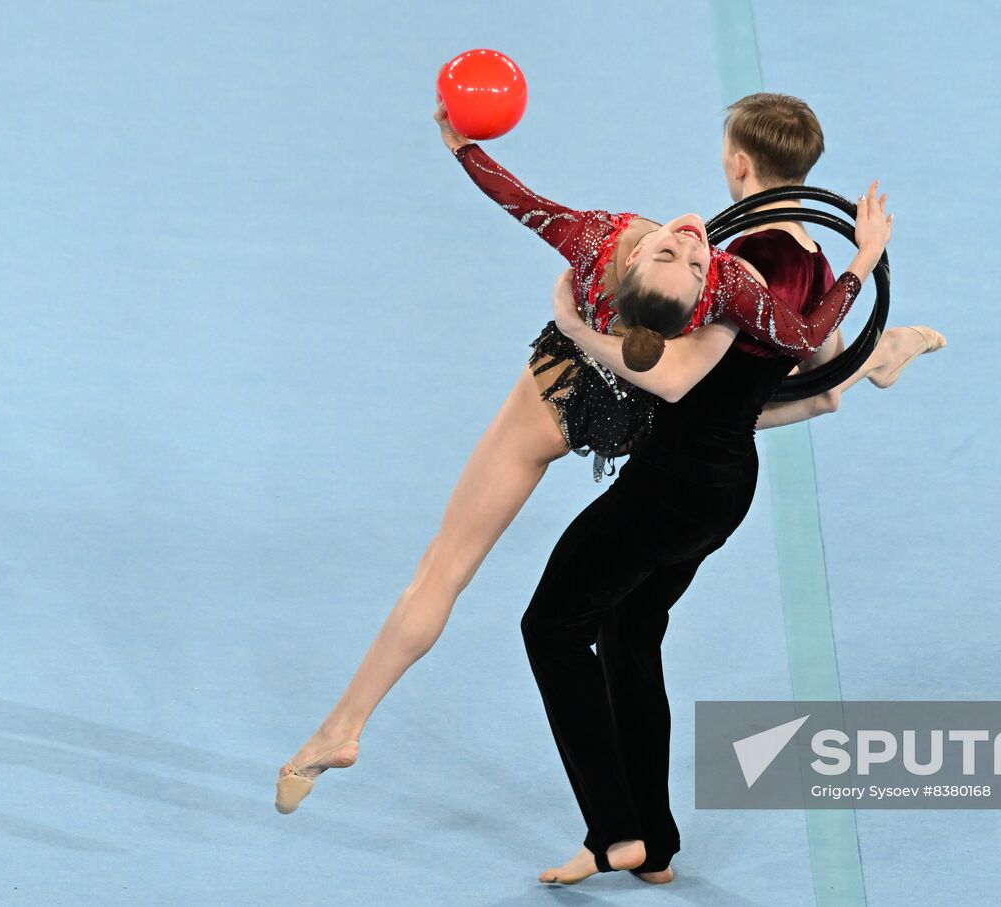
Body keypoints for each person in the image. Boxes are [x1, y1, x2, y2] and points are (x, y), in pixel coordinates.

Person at [274, 96, 937, 819]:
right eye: (679, 251)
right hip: (634, 413)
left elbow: (524, 203)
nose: (686, 239)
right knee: (746, 396)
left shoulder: (599, 240)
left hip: (562, 395)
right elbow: (799, 327)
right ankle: (870, 364)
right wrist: (862, 267)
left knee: (445, 565)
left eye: (683, 253)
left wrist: (463, 148)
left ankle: (343, 726)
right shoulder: (726, 282)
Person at [522, 93, 928, 886]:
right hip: (723, 484)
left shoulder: (748, 260)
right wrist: (859, 272)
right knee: (633, 629)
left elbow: (672, 378)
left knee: (552, 625)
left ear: (738, 162)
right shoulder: (809, 260)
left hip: (671, 484)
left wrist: (574, 324)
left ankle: (615, 832)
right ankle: (655, 846)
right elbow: (826, 381)